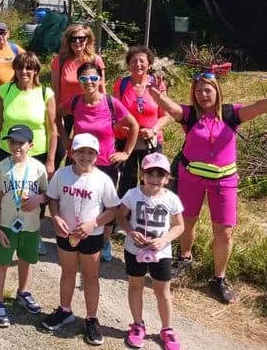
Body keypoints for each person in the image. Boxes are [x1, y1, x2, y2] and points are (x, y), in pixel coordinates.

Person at [149, 72, 267, 303]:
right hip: (191, 177)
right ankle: (184, 258)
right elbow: (172, 109)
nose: (203, 95)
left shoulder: (232, 113)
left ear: (217, 91)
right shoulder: (190, 115)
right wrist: (158, 95)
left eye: (207, 90)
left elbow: (259, 107)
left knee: (224, 231)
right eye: (198, 90)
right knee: (187, 221)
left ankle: (218, 279)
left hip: (224, 181)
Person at [42, 133, 121, 346]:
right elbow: (53, 199)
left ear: (97, 155)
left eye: (90, 152)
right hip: (66, 233)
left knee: (90, 276)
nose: (85, 156)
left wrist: (93, 224)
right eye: (81, 152)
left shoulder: (103, 179)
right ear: (72, 153)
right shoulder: (62, 174)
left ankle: (91, 318)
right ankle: (65, 310)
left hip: (91, 235)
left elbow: (112, 210)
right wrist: (56, 217)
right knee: (67, 272)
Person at [59, 61, 138, 262]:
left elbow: (133, 125)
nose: (89, 82)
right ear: (79, 81)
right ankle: (76, 236)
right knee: (78, 199)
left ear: (100, 80)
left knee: (106, 205)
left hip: (105, 163)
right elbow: (55, 115)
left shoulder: (110, 103)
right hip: (78, 161)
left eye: (93, 78)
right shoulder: (74, 102)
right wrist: (65, 139)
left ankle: (104, 241)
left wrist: (126, 153)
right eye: (84, 78)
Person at [0, 51, 58, 255]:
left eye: (29, 67)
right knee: (7, 193)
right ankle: (4, 230)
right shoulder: (5, 90)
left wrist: (51, 159)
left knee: (35, 197)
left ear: (36, 70)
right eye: (20, 67)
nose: (24, 71)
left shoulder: (46, 94)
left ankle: (33, 234)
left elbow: (52, 128)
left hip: (36, 154)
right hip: (8, 150)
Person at [117, 153, 185, 350]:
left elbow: (179, 226)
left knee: (162, 292)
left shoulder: (172, 199)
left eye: (159, 175)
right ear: (142, 175)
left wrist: (163, 240)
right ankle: (138, 325)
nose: (154, 179)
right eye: (150, 174)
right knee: (135, 286)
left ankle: (167, 329)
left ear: (167, 178)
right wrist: (130, 232)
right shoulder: (132, 194)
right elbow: (121, 216)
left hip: (161, 253)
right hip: (134, 249)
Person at [0, 124, 49, 328]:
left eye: (21, 143)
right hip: (6, 225)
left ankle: (23, 293)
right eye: (12, 142)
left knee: (26, 260)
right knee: (2, 262)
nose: (16, 146)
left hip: (30, 226)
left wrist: (39, 198)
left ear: (31, 145)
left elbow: (47, 195)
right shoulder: (1, 168)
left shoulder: (38, 169)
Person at [112, 46, 172, 199]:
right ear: (128, 64)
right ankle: (123, 217)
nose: (138, 64)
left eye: (142, 61)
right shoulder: (121, 84)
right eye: (133, 61)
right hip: (126, 140)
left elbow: (166, 116)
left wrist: (153, 129)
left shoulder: (157, 85)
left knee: (151, 180)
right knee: (126, 181)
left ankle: (147, 214)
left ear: (149, 64)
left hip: (151, 141)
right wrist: (126, 129)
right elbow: (114, 114)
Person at [51, 23, 106, 139]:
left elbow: (101, 89)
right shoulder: (60, 60)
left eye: (81, 38)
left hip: (88, 110)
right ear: (68, 41)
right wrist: (55, 114)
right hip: (65, 111)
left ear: (88, 40)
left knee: (84, 149)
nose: (77, 42)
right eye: (73, 39)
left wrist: (104, 112)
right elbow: (55, 89)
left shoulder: (95, 60)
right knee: (61, 150)